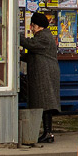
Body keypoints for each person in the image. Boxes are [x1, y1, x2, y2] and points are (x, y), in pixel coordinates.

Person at [21, 11, 61, 143]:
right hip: (43, 74)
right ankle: (46, 132)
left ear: (38, 26)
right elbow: (34, 54)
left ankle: (48, 132)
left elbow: (31, 45)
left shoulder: (43, 37)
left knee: (46, 104)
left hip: (46, 75)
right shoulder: (43, 36)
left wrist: (16, 36)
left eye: (32, 25)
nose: (31, 28)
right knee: (43, 103)